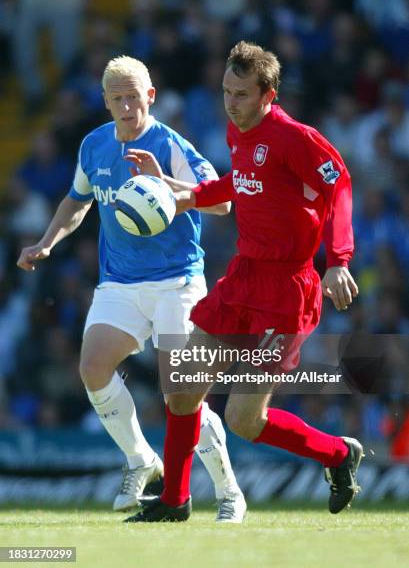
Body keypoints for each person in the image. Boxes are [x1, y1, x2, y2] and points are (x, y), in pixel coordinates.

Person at [126, 41, 362, 523]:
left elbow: (338, 185)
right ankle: (174, 501)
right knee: (184, 386)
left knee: (242, 421)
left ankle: (339, 454)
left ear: (268, 94)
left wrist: (338, 259)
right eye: (226, 92)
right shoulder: (239, 133)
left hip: (286, 291)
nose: (230, 103)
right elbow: (240, 182)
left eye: (241, 94)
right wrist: (176, 192)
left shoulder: (296, 137)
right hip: (243, 278)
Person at [17, 55, 246, 523]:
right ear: (105, 102)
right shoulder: (94, 146)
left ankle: (229, 492)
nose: (126, 105)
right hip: (119, 282)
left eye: (133, 96)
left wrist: (163, 182)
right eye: (116, 97)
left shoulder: (171, 144)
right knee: (93, 367)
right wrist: (45, 242)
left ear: (151, 97)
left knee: (182, 393)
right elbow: (76, 202)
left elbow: (222, 203)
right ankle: (142, 459)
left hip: (176, 281)